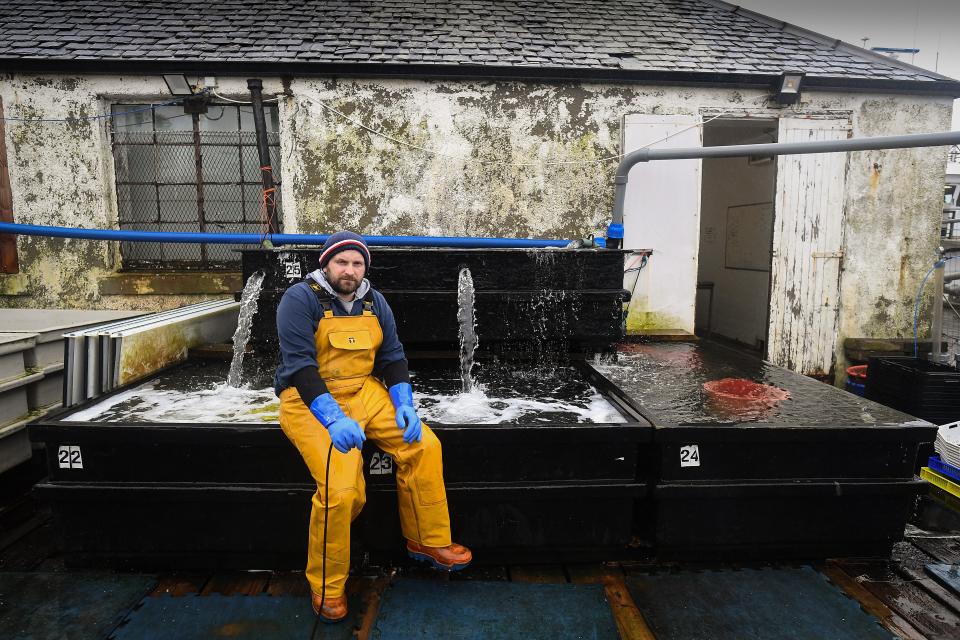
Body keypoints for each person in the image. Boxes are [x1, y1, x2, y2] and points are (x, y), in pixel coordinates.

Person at [274, 231, 472, 622]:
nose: (349, 271)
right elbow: (299, 366)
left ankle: (428, 540)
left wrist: (405, 405)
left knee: (424, 446)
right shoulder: (300, 300)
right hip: (308, 400)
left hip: (365, 392)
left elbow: (393, 356)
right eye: (342, 262)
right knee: (343, 490)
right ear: (326, 265)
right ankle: (328, 585)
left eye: (357, 263)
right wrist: (331, 418)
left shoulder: (374, 301)